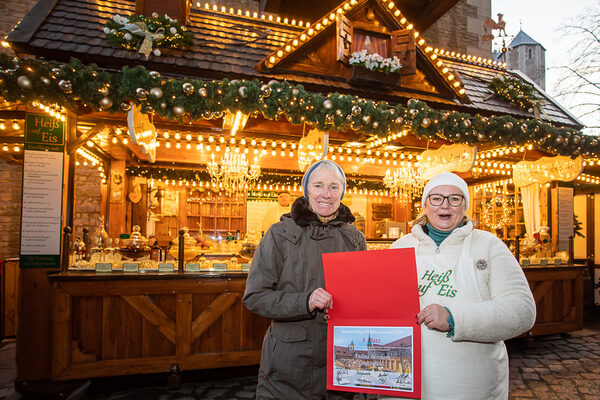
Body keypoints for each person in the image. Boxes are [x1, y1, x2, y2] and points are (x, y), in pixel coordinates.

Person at [385, 172, 536, 400]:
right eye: (436, 198)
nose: (445, 205)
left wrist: (455, 318)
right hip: (407, 381)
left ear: (464, 205)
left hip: (472, 385)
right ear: (425, 203)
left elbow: (522, 310)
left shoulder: (489, 245)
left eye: (455, 199)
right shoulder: (400, 247)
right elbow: (381, 304)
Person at [243, 160, 366, 400]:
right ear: (306, 189)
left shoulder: (355, 239)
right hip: (288, 366)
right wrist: (305, 301)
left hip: (340, 362)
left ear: (343, 191)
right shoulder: (279, 235)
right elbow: (255, 297)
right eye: (318, 185)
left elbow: (363, 297)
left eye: (333, 186)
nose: (326, 194)